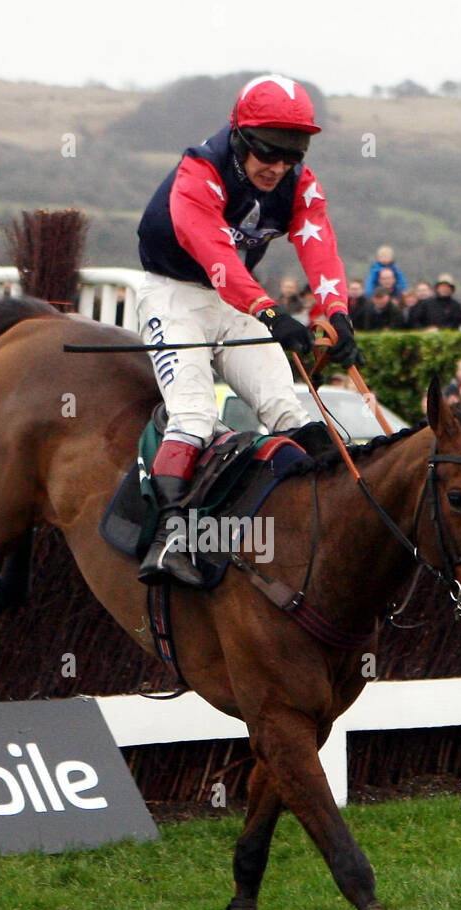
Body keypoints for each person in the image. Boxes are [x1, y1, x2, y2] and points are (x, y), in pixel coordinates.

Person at [135, 73, 361, 585]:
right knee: (193, 414)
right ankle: (169, 537)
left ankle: (314, 523)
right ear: (239, 136)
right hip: (175, 294)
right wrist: (270, 313)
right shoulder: (200, 171)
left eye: (291, 155)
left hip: (234, 299)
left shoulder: (298, 182)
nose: (278, 167)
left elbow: (319, 245)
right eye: (268, 153)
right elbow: (218, 260)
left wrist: (337, 312)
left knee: (287, 409)